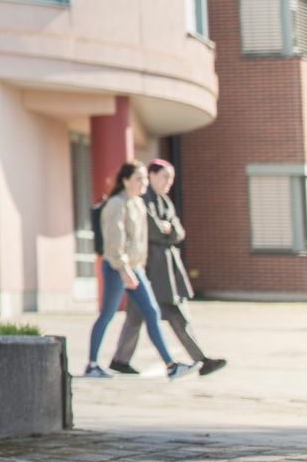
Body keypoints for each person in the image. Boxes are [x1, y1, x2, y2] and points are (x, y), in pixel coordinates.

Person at [82, 160, 198, 381]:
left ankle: (171, 366)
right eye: (139, 178)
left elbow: (140, 242)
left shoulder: (138, 204)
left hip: (136, 269)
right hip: (118, 268)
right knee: (107, 315)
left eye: (145, 178)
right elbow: (114, 243)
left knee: (152, 313)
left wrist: (137, 268)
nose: (144, 182)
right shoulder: (116, 204)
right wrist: (124, 270)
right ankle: (92, 364)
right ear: (125, 180)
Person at [109, 158, 226, 376]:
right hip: (152, 269)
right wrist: (167, 231)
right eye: (165, 177)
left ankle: (120, 359)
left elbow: (179, 232)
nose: (168, 182)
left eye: (171, 178)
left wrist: (169, 229)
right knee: (171, 313)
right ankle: (198, 359)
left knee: (138, 315)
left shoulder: (165, 201)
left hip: (165, 268)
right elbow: (152, 230)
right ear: (152, 175)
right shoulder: (142, 200)